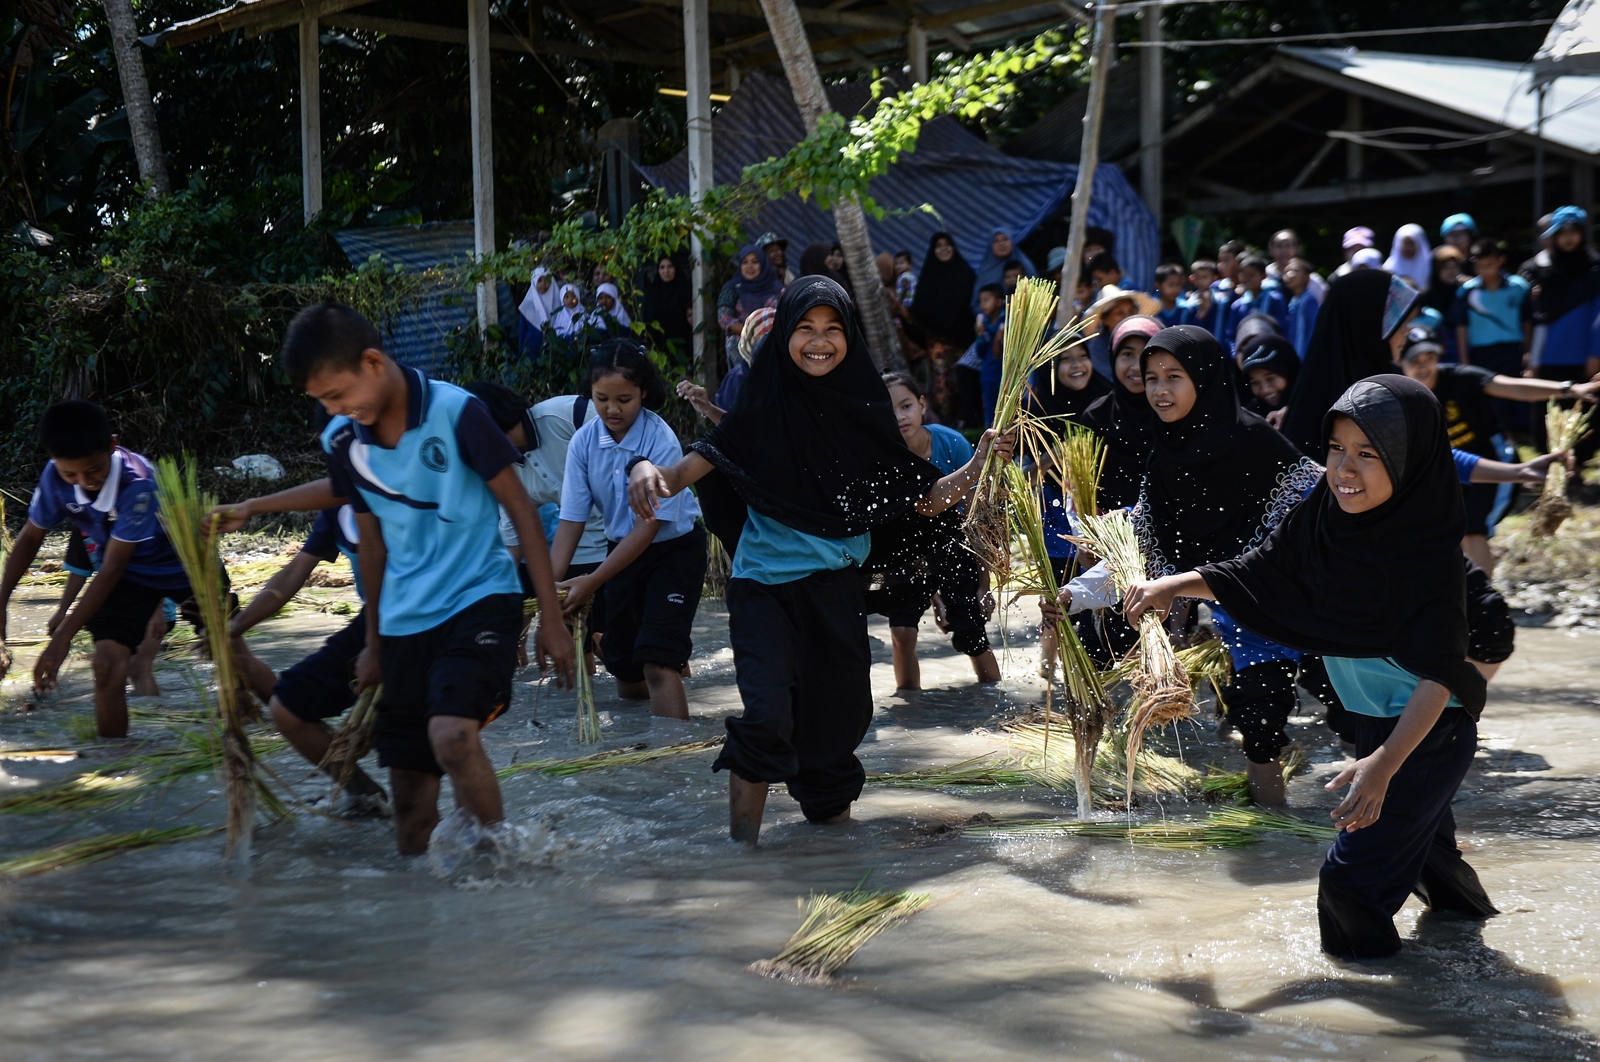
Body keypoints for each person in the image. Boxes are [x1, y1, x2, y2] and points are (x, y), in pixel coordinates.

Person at [625, 276, 1014, 845]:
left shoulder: (865, 417)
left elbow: (925, 499)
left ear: (850, 338)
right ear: (784, 335)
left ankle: (829, 861)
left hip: (835, 590)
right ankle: (741, 859)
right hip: (764, 589)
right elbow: (682, 472)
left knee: (837, 730)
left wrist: (979, 462)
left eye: (833, 329)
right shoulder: (760, 410)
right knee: (765, 719)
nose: (819, 340)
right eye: (805, 327)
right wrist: (642, 468)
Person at [1125, 375, 1497, 960]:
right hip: (1376, 723)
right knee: (1433, 865)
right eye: (1335, 449)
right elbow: (1262, 569)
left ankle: (1378, 1016)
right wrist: (1175, 584)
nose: (1344, 469)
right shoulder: (1327, 514)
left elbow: (1441, 673)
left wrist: (1382, 765)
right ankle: (1476, 954)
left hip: (1427, 732)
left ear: (1410, 461)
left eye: (1368, 455)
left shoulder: (1426, 557)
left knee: (1349, 886)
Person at [280, 301, 575, 856]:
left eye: (336, 395)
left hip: (480, 601)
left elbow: (521, 511)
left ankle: (509, 873)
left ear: (372, 362)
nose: (334, 409)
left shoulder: (455, 411)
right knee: (412, 817)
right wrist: (372, 642)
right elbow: (371, 542)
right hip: (402, 622)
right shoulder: (344, 440)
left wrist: (551, 620)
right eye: (322, 402)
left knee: (453, 736)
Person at [1052, 327, 1323, 804]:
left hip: (1307, 608)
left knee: (1356, 714)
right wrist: (1073, 596)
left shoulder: (1258, 443)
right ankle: (1277, 834)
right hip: (1244, 618)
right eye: (1152, 377)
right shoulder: (1165, 460)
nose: (1158, 389)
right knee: (1259, 728)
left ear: (1206, 378)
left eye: (1173, 376)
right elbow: (1141, 549)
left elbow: (1323, 513)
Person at [0, 402, 202, 739]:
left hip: (184, 569)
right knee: (106, 665)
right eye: (70, 475)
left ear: (112, 445)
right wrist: (2, 600)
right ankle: (114, 761)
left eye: (93, 471)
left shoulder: (138, 483)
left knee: (232, 654)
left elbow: (111, 568)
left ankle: (278, 720)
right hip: (130, 578)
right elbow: (34, 538)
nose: (84, 482)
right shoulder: (56, 479)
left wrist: (62, 638)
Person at [552, 341, 705, 720]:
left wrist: (592, 580)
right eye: (601, 398)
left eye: (624, 399)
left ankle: (672, 759)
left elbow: (648, 529)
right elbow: (570, 521)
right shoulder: (583, 443)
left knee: (657, 661)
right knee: (623, 663)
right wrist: (548, 593)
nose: (612, 409)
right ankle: (640, 759)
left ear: (644, 394)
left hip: (673, 551)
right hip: (620, 550)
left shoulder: (660, 438)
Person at [216, 494, 390, 814]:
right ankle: (367, 797)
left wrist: (377, 646)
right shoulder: (338, 505)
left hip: (424, 614)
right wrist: (235, 627)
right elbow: (295, 572)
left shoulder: (395, 483)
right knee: (288, 706)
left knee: (406, 739)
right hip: (378, 618)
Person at [1398, 326, 1600, 573]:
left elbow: (1514, 387)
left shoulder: (1461, 378)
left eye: (1429, 358)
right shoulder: (1400, 395)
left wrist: (1570, 389)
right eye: (1415, 361)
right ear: (1399, 361)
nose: (1423, 367)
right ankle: (1465, 597)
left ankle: (1483, 601)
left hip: (1492, 463)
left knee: (1472, 530)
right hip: (1446, 471)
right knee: (1450, 535)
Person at [460, 383, 610, 667]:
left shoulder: (567, 416)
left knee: (640, 654)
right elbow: (512, 546)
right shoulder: (504, 470)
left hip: (628, 540)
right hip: (577, 552)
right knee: (578, 651)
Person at [873, 371, 1001, 689]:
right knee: (902, 634)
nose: (900, 417)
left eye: (906, 406)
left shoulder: (951, 444)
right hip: (904, 550)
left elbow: (976, 518)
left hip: (955, 545)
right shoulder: (882, 458)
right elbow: (896, 533)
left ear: (921, 404)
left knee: (971, 631)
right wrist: (931, 594)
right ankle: (910, 716)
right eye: (890, 411)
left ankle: (995, 701)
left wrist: (984, 584)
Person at [1280, 270, 1417, 456]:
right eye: (1399, 321)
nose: (1407, 331)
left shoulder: (1395, 387)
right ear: (1368, 320)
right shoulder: (1313, 408)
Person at [1079, 315, 1162, 511]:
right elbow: (1083, 489)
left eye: (1146, 355)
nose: (1136, 366)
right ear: (1113, 357)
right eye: (1127, 354)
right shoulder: (1096, 417)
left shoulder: (1174, 413)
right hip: (1108, 532)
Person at [1528, 207, 1600, 429]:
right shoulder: (1545, 272)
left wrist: (1595, 354)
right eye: (1562, 233)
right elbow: (1540, 321)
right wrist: (1534, 360)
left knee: (1584, 422)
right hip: (1551, 357)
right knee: (1550, 423)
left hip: (1583, 359)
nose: (1568, 238)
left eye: (1573, 231)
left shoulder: (1594, 269)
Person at [1452, 239, 1532, 429]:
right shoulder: (1467, 291)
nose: (1485, 271)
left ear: (1500, 260)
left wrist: (1528, 351)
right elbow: (1461, 327)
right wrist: (1464, 360)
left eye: (1489, 265)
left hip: (1511, 349)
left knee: (1514, 392)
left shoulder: (1518, 287)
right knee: (1487, 395)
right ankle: (1497, 432)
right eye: (1479, 266)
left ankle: (1515, 432)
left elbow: (1527, 321)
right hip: (1482, 351)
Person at [718, 243, 784, 368]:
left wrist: (766, 335)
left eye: (754, 261)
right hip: (740, 347)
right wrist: (751, 333)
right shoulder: (732, 288)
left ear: (763, 264)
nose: (749, 266)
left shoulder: (777, 289)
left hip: (771, 344)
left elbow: (786, 315)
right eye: (745, 262)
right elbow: (724, 319)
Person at [909, 231, 978, 351]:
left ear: (953, 247)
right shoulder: (928, 279)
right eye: (939, 246)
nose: (944, 249)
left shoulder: (967, 274)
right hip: (938, 346)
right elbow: (919, 311)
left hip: (968, 343)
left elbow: (976, 303)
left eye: (947, 244)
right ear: (933, 250)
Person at [1222, 255, 1288, 353]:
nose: (1246, 279)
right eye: (1243, 274)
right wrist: (1236, 354)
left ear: (1263, 276)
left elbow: (1281, 328)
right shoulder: (1238, 305)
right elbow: (1230, 334)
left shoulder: (1274, 299)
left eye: (1251, 275)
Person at [642, 253, 693, 359]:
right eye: (662, 267)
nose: (666, 271)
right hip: (659, 351)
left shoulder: (685, 290)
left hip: (683, 348)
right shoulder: (653, 293)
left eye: (670, 266)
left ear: (676, 268)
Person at [971, 229, 1036, 311]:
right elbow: (976, 303)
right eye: (996, 241)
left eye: (1005, 239)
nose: (1001, 244)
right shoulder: (985, 270)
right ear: (990, 245)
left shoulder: (1024, 264)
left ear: (1011, 241)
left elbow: (1036, 293)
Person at [1421, 246, 1466, 364]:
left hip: (1464, 346)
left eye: (1455, 267)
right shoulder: (1426, 295)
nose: (1452, 271)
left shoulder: (1465, 291)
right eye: (1446, 268)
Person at [1240, 334, 1300, 416]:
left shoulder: (1315, 408)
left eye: (1270, 378)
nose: (1266, 390)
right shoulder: (1248, 417)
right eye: (1255, 383)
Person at [974, 282, 1007, 425]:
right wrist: (980, 336)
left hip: (1004, 372)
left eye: (986, 300)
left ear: (999, 302)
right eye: (980, 301)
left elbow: (1002, 352)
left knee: (1005, 409)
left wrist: (999, 339)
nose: (983, 304)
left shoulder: (1007, 319)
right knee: (990, 409)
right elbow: (980, 352)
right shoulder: (983, 322)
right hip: (988, 372)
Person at [517, 265, 562, 359]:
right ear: (533, 283)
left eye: (546, 280)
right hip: (530, 353)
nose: (543, 284)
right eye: (539, 280)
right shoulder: (527, 306)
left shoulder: (559, 303)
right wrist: (521, 354)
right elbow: (522, 332)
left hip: (553, 354)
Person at [1282, 257, 1322, 355]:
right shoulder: (1294, 300)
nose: (1288, 275)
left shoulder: (1309, 300)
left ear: (1306, 276)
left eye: (1294, 271)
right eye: (1286, 271)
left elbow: (1313, 330)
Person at [1180, 259, 1226, 335]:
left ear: (1214, 278)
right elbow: (1186, 326)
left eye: (1204, 277)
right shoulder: (1190, 302)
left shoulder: (1221, 299)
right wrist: (1202, 313)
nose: (1200, 281)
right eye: (1197, 277)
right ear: (1192, 278)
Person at [1383, 224, 1432, 290]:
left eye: (1411, 243)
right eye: (1405, 243)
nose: (1408, 248)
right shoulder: (1388, 269)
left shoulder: (1432, 266)